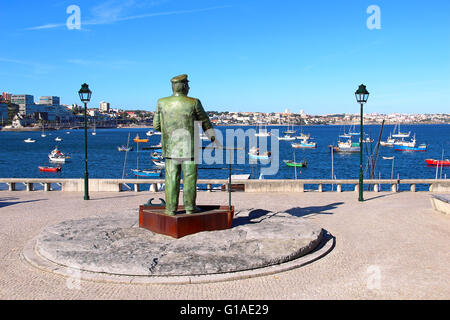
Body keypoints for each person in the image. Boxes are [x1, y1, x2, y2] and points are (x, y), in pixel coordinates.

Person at [153, 74, 216, 215]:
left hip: (170, 149)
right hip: (190, 149)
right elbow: (205, 121)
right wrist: (212, 136)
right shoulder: (194, 102)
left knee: (170, 180)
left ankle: (170, 209)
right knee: (190, 179)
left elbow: (156, 126)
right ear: (184, 86)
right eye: (187, 84)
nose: (189, 87)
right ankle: (189, 208)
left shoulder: (161, 102)